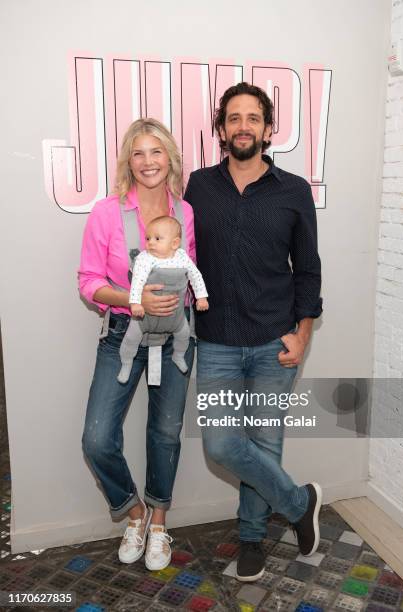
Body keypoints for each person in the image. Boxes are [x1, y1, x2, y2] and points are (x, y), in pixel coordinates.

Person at [184, 82, 323, 582]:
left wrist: (303, 333)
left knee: (265, 445)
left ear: (269, 128)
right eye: (234, 118)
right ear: (220, 129)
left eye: (253, 118)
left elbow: (307, 268)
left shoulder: (293, 191)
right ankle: (298, 501)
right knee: (223, 445)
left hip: (273, 341)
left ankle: (250, 540)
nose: (243, 126)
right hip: (217, 339)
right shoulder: (198, 186)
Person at [79, 118, 197, 571]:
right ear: (128, 161)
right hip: (122, 335)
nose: (148, 162)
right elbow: (88, 282)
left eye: (156, 152)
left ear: (170, 158)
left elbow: (190, 269)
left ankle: (161, 524)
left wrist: (187, 301)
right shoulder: (106, 212)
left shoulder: (185, 213)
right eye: (139, 153)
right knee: (96, 438)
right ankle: (135, 512)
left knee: (165, 433)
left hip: (175, 337)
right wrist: (134, 297)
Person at [117, 215, 208, 383]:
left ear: (174, 243)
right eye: (148, 238)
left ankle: (178, 355)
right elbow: (137, 281)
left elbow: (195, 276)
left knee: (184, 334)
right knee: (131, 337)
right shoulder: (145, 259)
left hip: (175, 317)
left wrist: (201, 297)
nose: (150, 242)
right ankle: (126, 362)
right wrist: (135, 303)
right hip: (145, 317)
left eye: (157, 238)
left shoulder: (182, 257)